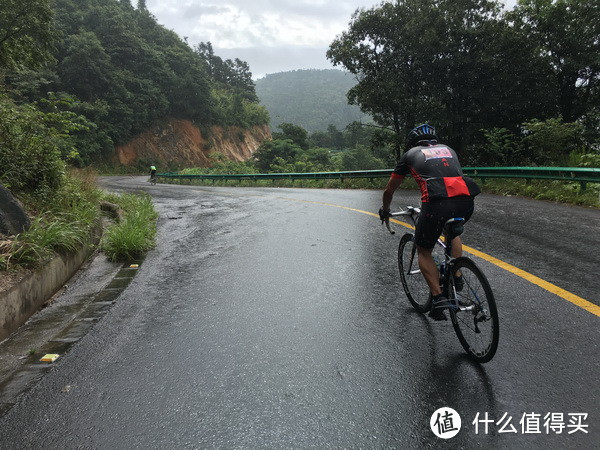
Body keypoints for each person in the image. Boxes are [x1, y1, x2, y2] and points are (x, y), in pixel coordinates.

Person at [379, 124, 480, 320]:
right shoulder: (448, 149)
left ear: (412, 142)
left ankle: (438, 298)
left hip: (436, 203)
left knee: (424, 249)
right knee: (452, 232)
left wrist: (385, 210)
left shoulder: (410, 154)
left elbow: (389, 190)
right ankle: (457, 276)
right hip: (466, 200)